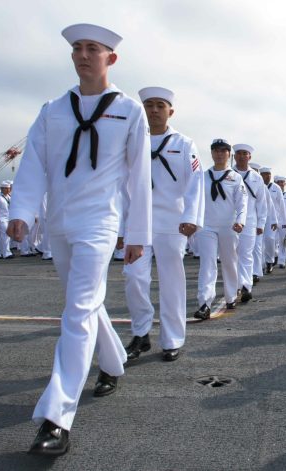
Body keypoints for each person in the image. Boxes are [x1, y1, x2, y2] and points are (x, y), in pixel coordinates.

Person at [7, 23, 152, 455]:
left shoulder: (129, 110)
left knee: (78, 309)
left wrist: (137, 234)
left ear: (111, 58)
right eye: (77, 48)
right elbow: (33, 161)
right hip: (60, 221)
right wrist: (22, 211)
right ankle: (113, 362)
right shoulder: (53, 109)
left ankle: (57, 417)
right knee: (84, 302)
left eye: (93, 48)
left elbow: (140, 176)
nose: (83, 55)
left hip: (101, 222)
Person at [122, 86, 204, 362]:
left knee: (171, 282)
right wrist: (123, 226)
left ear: (171, 111)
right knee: (134, 278)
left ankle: (171, 338)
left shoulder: (183, 144)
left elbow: (195, 184)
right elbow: (122, 184)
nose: (154, 110)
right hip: (138, 221)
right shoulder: (132, 140)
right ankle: (141, 332)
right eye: (149, 105)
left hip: (172, 221)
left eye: (160, 105)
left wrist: (191, 217)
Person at [193, 139, 247, 319]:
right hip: (206, 226)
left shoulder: (235, 177)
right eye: (216, 150)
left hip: (228, 225)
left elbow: (242, 202)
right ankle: (204, 303)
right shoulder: (202, 175)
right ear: (211, 153)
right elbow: (195, 199)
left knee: (229, 261)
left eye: (223, 151)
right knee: (207, 264)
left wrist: (241, 220)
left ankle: (231, 296)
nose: (219, 154)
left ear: (228, 154)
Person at [232, 144, 266, 302]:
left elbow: (261, 203)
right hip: (230, 221)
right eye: (238, 153)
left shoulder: (256, 177)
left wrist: (261, 224)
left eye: (244, 153)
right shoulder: (228, 173)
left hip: (250, 221)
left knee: (246, 254)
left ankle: (246, 286)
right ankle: (233, 286)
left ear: (249, 157)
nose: (241, 156)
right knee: (231, 255)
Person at [260, 166, 286, 274]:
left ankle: (270, 261)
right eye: (265, 174)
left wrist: (284, 222)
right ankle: (261, 264)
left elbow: (281, 205)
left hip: (272, 218)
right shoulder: (258, 185)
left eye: (269, 174)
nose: (267, 176)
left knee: (270, 240)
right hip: (259, 217)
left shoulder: (276, 188)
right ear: (261, 175)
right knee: (259, 243)